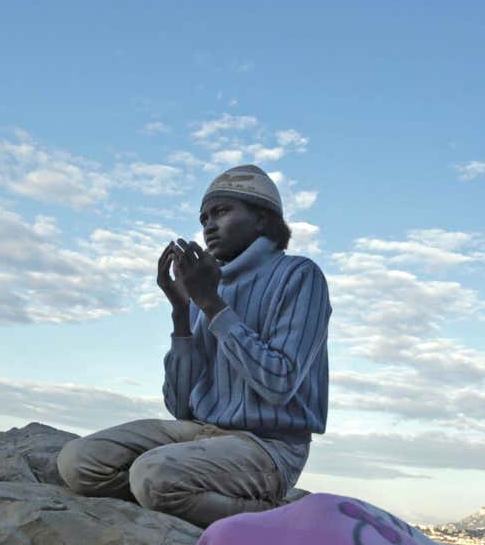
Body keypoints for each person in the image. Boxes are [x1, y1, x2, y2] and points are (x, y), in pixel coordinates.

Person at [57, 165, 330, 526]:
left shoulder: (300, 276)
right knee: (78, 462)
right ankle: (179, 496)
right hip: (199, 433)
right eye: (204, 217)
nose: (208, 226)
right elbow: (180, 407)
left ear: (262, 219)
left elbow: (278, 382)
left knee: (153, 477)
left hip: (268, 447)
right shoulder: (208, 285)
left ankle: (275, 517)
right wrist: (182, 312)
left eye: (222, 211)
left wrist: (213, 305)